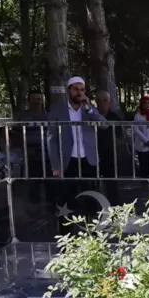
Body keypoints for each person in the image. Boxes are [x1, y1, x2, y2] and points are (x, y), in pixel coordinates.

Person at [47, 77, 106, 234]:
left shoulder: (89, 108)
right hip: (67, 161)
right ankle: (66, 240)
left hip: (88, 160)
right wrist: (56, 167)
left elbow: (104, 124)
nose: (79, 93)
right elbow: (51, 139)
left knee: (91, 201)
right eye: (76, 89)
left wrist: (90, 109)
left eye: (82, 90)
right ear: (69, 91)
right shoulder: (58, 109)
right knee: (65, 203)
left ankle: (93, 238)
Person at [95, 90, 122, 205]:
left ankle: (115, 208)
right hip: (93, 155)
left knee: (111, 184)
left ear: (109, 102)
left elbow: (118, 137)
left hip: (110, 155)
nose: (103, 103)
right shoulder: (92, 116)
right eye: (100, 101)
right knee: (94, 184)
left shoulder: (114, 117)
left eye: (105, 100)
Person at [133, 94, 149, 178]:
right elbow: (136, 129)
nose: (147, 105)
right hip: (142, 144)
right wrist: (146, 140)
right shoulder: (138, 116)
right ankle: (144, 180)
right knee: (143, 163)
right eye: (145, 103)